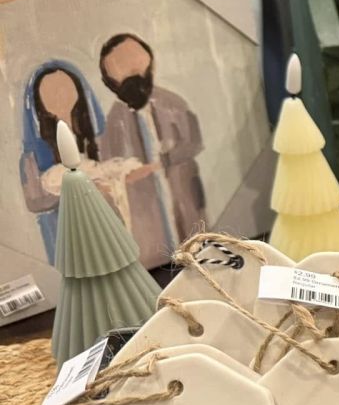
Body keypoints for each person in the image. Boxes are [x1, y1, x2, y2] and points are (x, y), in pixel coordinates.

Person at [19, 61, 170, 265]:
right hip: (72, 229)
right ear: (39, 100)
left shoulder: (94, 136)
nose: (60, 97)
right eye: (51, 92)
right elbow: (35, 200)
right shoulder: (32, 156)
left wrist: (135, 172)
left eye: (65, 88)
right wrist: (79, 190)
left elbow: (110, 169)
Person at [97, 32, 206, 245]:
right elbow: (109, 165)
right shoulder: (113, 121)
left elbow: (194, 142)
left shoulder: (174, 103)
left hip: (185, 195)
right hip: (146, 215)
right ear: (110, 81)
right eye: (121, 66)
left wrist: (160, 163)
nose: (131, 72)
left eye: (136, 64)